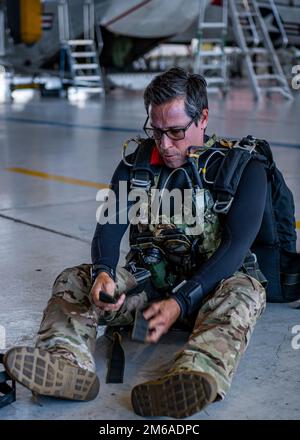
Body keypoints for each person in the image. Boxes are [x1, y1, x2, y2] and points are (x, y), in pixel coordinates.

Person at [3, 67, 267, 419]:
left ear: (202, 118)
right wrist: (104, 273)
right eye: (156, 131)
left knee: (246, 291)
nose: (165, 144)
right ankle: (66, 365)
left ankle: (194, 376)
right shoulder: (137, 164)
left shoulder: (243, 168)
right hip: (149, 294)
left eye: (175, 132)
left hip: (210, 293)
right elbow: (109, 227)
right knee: (74, 279)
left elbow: (235, 249)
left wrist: (181, 301)